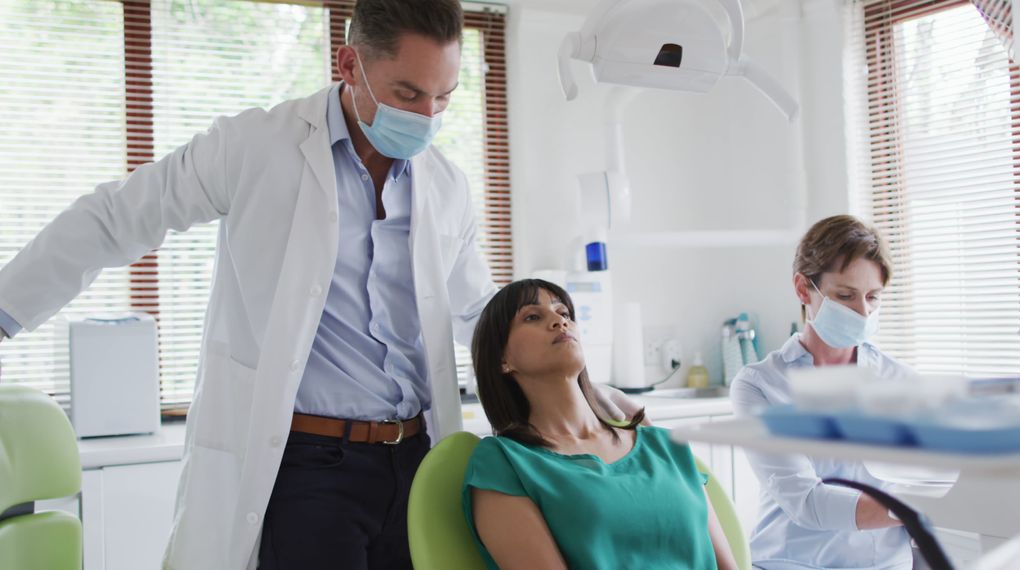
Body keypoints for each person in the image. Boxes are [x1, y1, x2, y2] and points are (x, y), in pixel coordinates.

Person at [0, 2, 638, 568]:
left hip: (418, 460)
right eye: (408, 93)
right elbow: (117, 217)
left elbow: (479, 313)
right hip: (307, 466)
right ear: (350, 64)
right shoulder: (257, 146)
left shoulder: (445, 184)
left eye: (444, 98)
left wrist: (583, 389)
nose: (427, 116)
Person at [461, 279, 740, 570]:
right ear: (502, 359)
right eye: (532, 316)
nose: (559, 321)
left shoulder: (665, 445)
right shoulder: (504, 464)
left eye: (564, 313)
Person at [729, 215, 914, 570]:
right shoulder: (760, 386)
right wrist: (914, 508)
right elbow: (807, 502)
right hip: (791, 562)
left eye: (873, 297)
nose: (863, 312)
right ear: (803, 289)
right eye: (845, 296)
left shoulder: (900, 382)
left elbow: (930, 478)